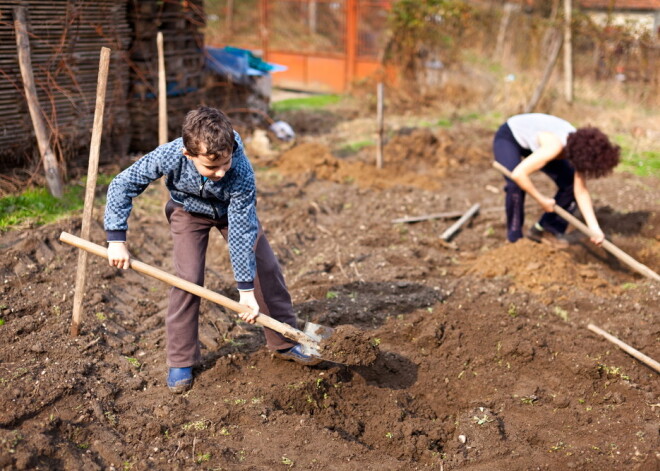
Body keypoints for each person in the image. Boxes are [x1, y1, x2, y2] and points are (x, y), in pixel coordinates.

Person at [104, 106, 319, 394]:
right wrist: (116, 239)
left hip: (233, 213)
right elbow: (123, 184)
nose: (219, 172)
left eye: (224, 163)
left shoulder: (240, 171)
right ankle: (181, 359)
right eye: (210, 166)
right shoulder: (170, 154)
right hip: (187, 210)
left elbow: (242, 231)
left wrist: (245, 291)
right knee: (187, 279)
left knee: (265, 269)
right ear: (188, 154)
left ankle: (285, 340)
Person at [492, 113, 620, 246]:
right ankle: (514, 239)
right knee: (515, 185)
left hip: (538, 142)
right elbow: (518, 174)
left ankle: (545, 229)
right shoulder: (554, 146)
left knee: (570, 184)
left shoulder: (582, 149)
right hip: (510, 136)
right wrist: (541, 200)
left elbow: (580, 191)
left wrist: (594, 228)